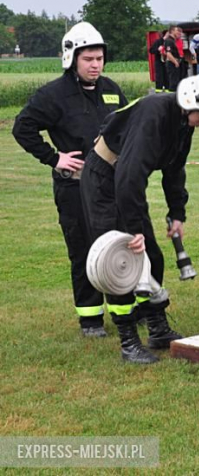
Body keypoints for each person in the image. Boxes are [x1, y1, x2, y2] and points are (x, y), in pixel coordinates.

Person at [80, 70, 199, 363]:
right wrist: (135, 230)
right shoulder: (154, 114)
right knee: (120, 263)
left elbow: (174, 170)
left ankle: (157, 328)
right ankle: (128, 342)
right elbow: (128, 177)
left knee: (152, 256)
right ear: (191, 102)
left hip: (124, 180)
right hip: (104, 180)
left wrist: (177, 213)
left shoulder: (181, 123)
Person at [12, 22, 127, 338]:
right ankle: (90, 320)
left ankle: (125, 314)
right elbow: (22, 128)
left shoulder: (112, 90)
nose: (95, 65)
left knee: (117, 247)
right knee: (84, 251)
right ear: (72, 58)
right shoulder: (53, 95)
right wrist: (54, 157)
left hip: (110, 186)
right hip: (73, 187)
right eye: (88, 59)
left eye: (99, 58)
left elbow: (126, 128)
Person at [164, 25, 183, 91]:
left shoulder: (173, 41)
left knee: (176, 81)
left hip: (174, 63)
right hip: (171, 63)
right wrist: (175, 62)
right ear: (172, 31)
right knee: (173, 82)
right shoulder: (169, 41)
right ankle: (172, 97)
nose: (178, 32)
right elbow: (168, 53)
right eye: (176, 30)